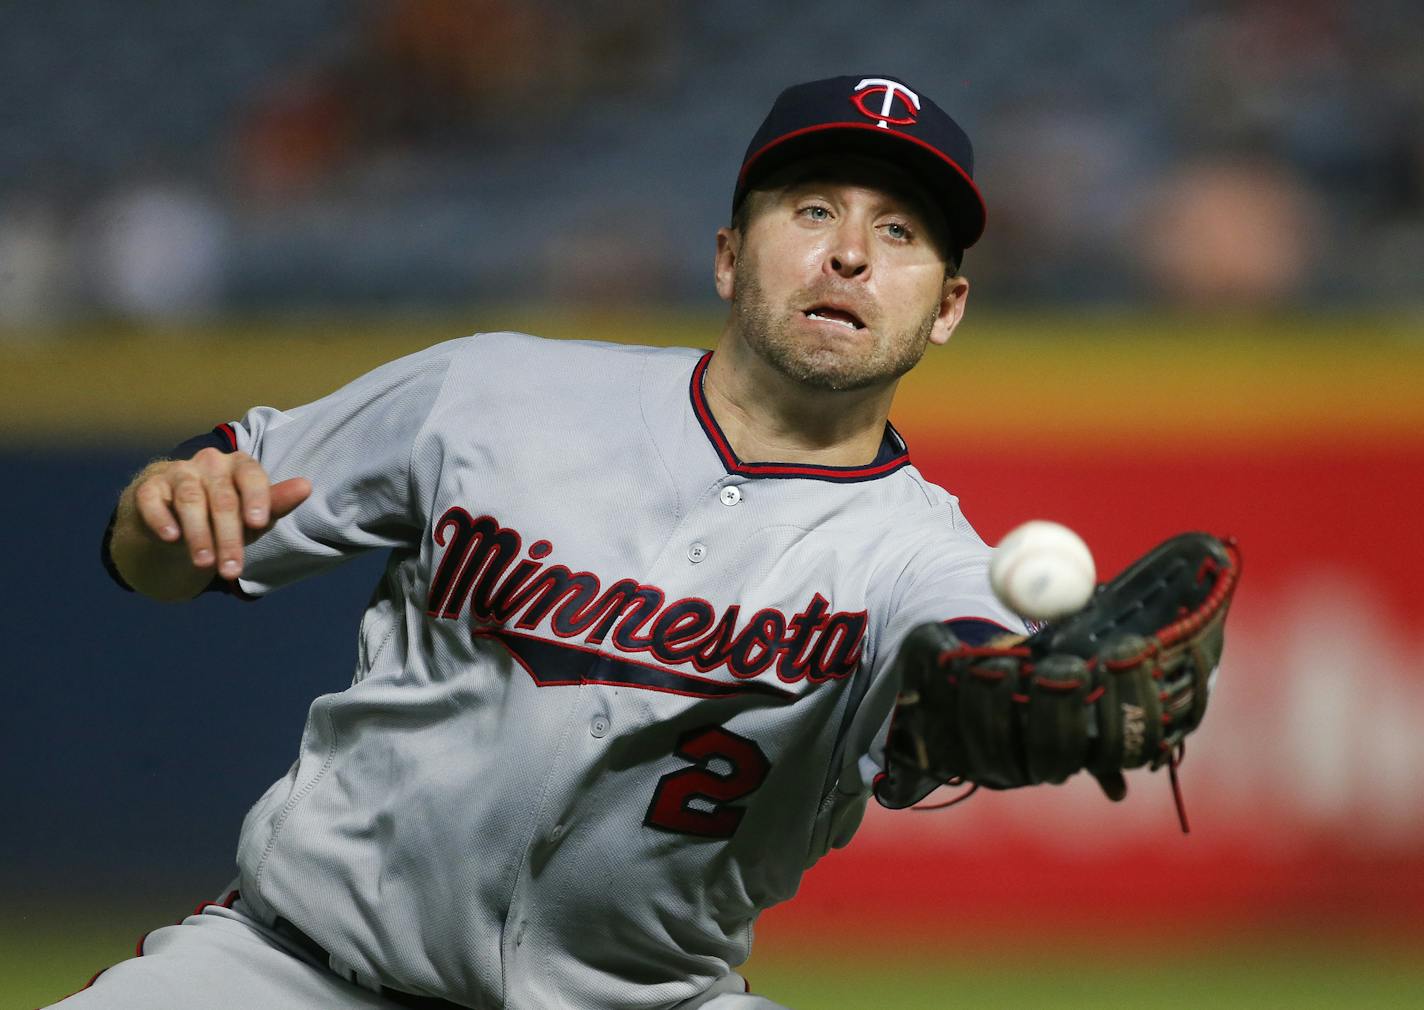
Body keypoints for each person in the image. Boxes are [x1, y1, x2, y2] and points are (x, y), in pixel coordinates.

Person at [72, 74, 1023, 1010]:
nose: (850, 254)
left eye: (899, 231)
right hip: (294, 971)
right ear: (730, 257)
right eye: (813, 211)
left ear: (946, 307)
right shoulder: (492, 390)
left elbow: (985, 655)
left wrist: (1011, 693)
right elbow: (159, 558)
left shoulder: (922, 554)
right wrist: (161, 508)